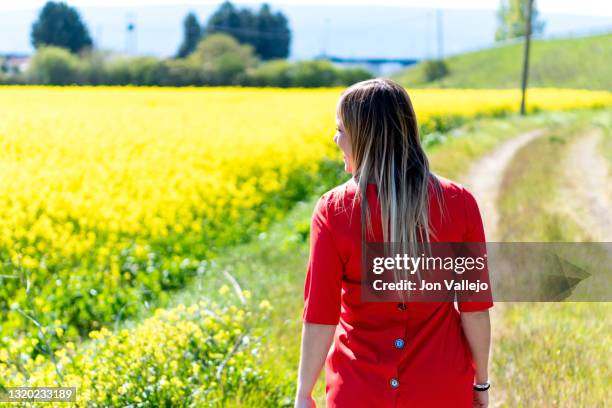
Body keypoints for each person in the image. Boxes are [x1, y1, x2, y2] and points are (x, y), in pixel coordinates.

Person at [294, 78, 493, 408]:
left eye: (341, 129)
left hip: (359, 390)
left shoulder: (334, 211)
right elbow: (474, 309)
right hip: (440, 388)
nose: (335, 138)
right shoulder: (459, 203)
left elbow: (320, 316)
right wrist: (481, 383)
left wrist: (304, 394)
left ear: (365, 137)